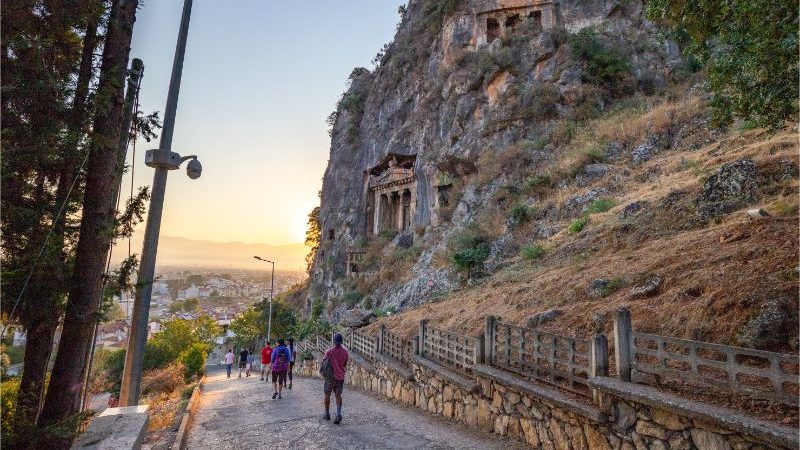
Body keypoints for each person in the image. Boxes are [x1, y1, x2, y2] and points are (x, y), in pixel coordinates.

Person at [322, 333, 349, 424]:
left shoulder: (329, 351)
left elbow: (324, 363)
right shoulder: (345, 352)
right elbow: (344, 364)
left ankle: (327, 414)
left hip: (330, 377)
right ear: (341, 342)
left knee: (327, 394)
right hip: (340, 377)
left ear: (334, 341)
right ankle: (338, 414)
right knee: (338, 395)